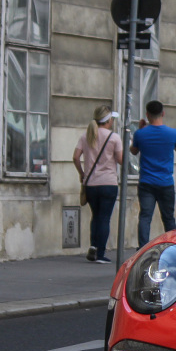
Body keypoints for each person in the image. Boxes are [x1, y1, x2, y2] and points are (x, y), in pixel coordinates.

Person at [131, 99, 176, 248]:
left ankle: (142, 247)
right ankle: (173, 247)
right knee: (168, 218)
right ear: (163, 113)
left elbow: (133, 151)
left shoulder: (140, 134)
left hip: (146, 182)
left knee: (145, 216)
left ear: (147, 114)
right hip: (166, 183)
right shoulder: (172, 133)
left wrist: (140, 129)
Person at [73, 105, 124, 263]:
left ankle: (94, 246)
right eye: (112, 119)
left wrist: (82, 174)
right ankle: (100, 253)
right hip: (108, 183)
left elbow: (75, 157)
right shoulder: (114, 137)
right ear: (108, 120)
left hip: (91, 184)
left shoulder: (86, 136)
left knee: (95, 216)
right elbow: (122, 160)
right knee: (104, 218)